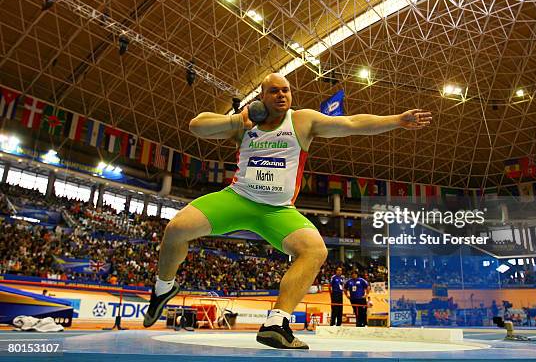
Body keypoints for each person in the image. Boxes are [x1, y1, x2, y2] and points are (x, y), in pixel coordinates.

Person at [142, 73, 432, 349]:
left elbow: (353, 123)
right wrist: (237, 120)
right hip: (237, 199)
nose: (282, 95)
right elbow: (197, 126)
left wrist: (397, 120)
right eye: (274, 91)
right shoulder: (245, 123)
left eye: (286, 90)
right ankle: (164, 287)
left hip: (277, 211)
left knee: (315, 250)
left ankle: (277, 324)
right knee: (177, 228)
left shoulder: (302, 120)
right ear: (261, 97)